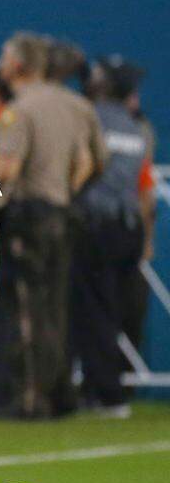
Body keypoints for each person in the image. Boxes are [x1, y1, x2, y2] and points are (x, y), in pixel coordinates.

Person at [0, 31, 106, 418]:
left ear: (20, 65)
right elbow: (94, 162)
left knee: (25, 306)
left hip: (28, 217)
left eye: (5, 56)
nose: (0, 63)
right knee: (57, 306)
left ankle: (28, 397)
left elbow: (8, 170)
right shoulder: (78, 106)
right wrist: (68, 191)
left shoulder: (19, 110)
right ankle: (60, 394)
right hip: (63, 214)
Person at [69, 56, 153, 417]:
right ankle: (116, 385)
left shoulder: (93, 117)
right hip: (129, 225)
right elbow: (142, 183)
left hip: (97, 223)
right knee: (119, 309)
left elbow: (85, 164)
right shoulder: (138, 129)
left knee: (95, 310)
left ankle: (104, 392)